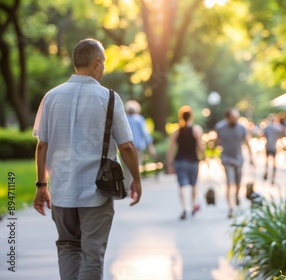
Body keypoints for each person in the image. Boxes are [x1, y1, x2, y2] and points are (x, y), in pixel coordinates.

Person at [32, 38, 142, 280]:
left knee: (68, 247)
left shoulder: (51, 97)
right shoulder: (109, 98)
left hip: (61, 191)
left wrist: (41, 185)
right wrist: (136, 179)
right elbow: (127, 146)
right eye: (103, 63)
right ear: (97, 62)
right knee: (92, 255)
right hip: (96, 193)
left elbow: (42, 146)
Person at [167, 106, 205, 220]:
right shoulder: (196, 130)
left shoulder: (177, 131)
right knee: (193, 185)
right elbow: (201, 147)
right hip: (193, 161)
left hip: (179, 161)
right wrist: (204, 157)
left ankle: (184, 208)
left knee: (182, 185)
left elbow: (171, 149)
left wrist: (169, 164)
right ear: (191, 116)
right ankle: (193, 205)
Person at [215, 108, 254, 218]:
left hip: (239, 159)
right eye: (233, 118)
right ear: (227, 118)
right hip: (226, 159)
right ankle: (231, 208)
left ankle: (236, 196)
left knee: (237, 183)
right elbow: (216, 142)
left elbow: (247, 141)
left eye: (236, 118)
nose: (235, 120)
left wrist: (251, 157)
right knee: (229, 183)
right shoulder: (220, 127)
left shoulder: (241, 128)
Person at [124, 100, 156, 185]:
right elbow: (145, 134)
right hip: (137, 148)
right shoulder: (139, 119)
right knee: (136, 166)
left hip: (126, 147)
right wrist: (151, 147)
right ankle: (134, 186)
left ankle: (126, 186)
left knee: (127, 167)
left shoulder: (125, 119)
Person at [262, 113, 284, 185]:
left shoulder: (267, 128)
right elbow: (282, 134)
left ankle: (266, 172)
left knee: (267, 161)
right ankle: (273, 177)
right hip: (274, 146)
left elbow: (263, 135)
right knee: (274, 162)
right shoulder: (277, 128)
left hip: (268, 146)